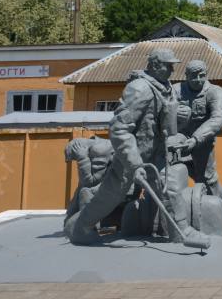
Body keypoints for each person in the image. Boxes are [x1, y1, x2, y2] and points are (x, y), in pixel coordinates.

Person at [64, 47, 209, 248]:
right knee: (112, 194)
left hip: (157, 153)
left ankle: (180, 231)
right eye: (168, 66)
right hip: (133, 155)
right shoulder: (140, 88)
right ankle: (80, 227)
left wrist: (179, 117)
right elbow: (119, 128)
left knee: (169, 187)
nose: (171, 70)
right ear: (155, 65)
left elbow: (161, 122)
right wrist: (133, 163)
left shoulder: (164, 87)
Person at [174, 59, 222, 208]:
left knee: (206, 177)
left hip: (203, 138)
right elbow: (163, 109)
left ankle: (217, 206)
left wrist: (196, 139)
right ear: (186, 76)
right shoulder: (176, 90)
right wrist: (175, 112)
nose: (197, 80)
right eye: (193, 76)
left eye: (201, 75)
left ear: (206, 74)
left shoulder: (215, 92)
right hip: (181, 135)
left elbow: (218, 119)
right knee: (177, 167)